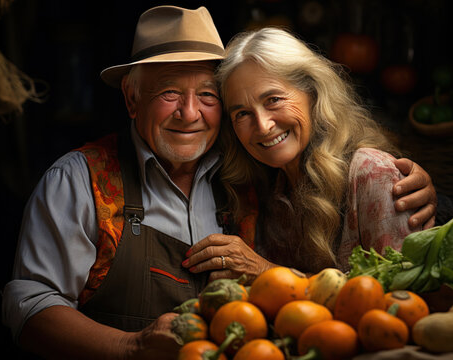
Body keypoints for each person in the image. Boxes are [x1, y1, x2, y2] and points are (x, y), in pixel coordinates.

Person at [2, 6, 436, 359]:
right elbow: (29, 304)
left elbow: (401, 310)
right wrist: (132, 347)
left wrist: (437, 199)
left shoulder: (247, 173)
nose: (190, 113)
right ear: (133, 98)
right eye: (169, 92)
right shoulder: (81, 180)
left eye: (208, 96)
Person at [182, 27, 437, 282]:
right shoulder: (263, 187)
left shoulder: (372, 174)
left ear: (313, 95)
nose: (262, 126)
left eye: (273, 100)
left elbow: (400, 300)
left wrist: (267, 273)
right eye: (242, 114)